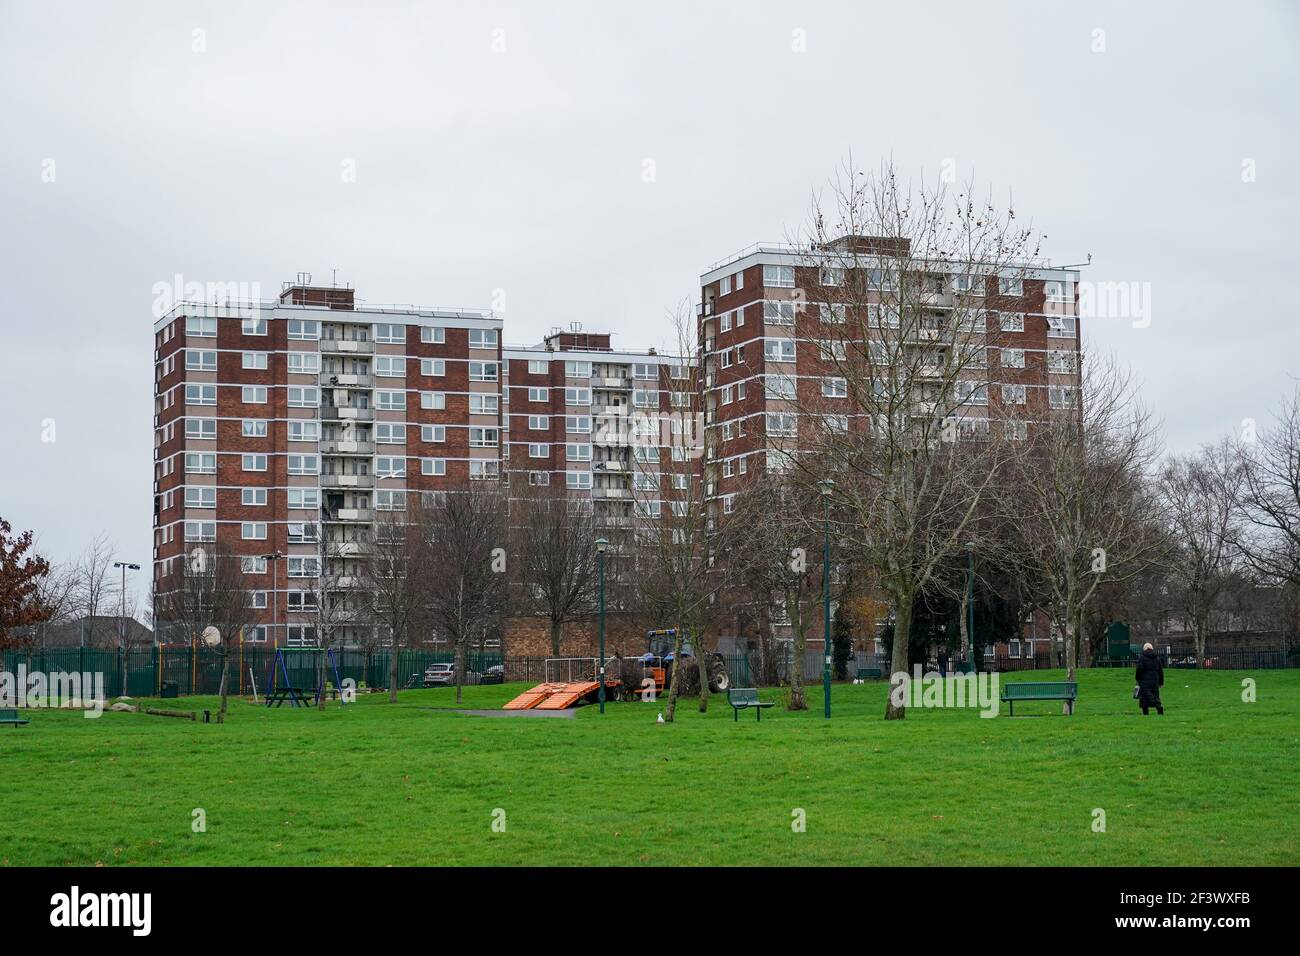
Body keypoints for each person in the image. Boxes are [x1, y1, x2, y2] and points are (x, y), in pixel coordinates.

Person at [1135, 642, 1164, 715]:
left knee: (1144, 697)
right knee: (1156, 695)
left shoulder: (1142, 658)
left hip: (1144, 681)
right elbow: (1160, 671)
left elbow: (1139, 669)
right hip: (1155, 680)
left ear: (1144, 649)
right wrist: (1161, 682)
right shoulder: (1156, 658)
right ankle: (1159, 708)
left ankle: (1145, 713)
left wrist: (1137, 678)